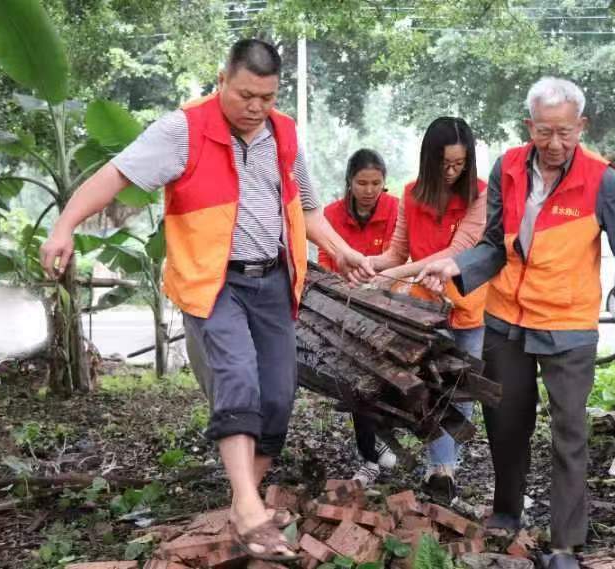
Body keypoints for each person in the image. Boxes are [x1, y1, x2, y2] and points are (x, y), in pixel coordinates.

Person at [39, 39, 373, 562]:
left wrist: (341, 249)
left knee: (278, 398)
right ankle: (247, 506)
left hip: (273, 282)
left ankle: (247, 502)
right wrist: (64, 226)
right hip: (214, 283)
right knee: (237, 380)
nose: (256, 108)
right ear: (222, 80)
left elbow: (305, 208)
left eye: (267, 96)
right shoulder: (183, 129)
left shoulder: (284, 133)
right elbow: (115, 175)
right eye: (245, 95)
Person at [416, 78, 615, 569]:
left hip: (567, 326)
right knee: (506, 423)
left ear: (581, 126)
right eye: (545, 132)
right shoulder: (507, 167)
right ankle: (507, 512)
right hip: (506, 319)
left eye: (565, 132)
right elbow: (491, 245)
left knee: (570, 432)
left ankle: (566, 543)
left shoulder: (602, 181)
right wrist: (455, 266)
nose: (554, 144)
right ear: (530, 127)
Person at [367, 116, 488, 500]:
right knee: (426, 388)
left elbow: (453, 254)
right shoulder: (410, 195)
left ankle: (443, 469)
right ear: (428, 161)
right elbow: (397, 252)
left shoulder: (482, 196)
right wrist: (366, 265)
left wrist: (393, 275)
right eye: (445, 164)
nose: (453, 171)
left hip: (468, 307)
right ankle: (442, 464)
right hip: (423, 313)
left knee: (460, 390)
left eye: (460, 163)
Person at [317, 149, 400, 483]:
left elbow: (399, 255)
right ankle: (369, 453)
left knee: (389, 380)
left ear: (384, 183)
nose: (369, 190)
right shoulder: (331, 214)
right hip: (346, 307)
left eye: (376, 183)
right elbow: (325, 258)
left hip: (388, 306)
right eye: (361, 183)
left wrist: (380, 283)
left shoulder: (396, 209)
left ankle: (379, 442)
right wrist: (344, 286)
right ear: (349, 183)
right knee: (357, 380)